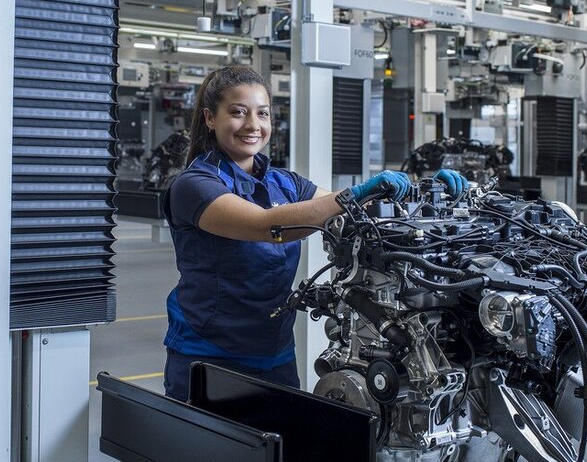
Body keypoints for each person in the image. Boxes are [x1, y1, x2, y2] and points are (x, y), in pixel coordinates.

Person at [161, 66, 466, 401]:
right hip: (208, 354)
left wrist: (426, 193)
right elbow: (267, 226)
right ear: (209, 118)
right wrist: (358, 192)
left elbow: (352, 212)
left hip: (275, 352)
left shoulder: (283, 182)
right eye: (238, 112)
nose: (252, 125)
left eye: (262, 114)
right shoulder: (194, 185)